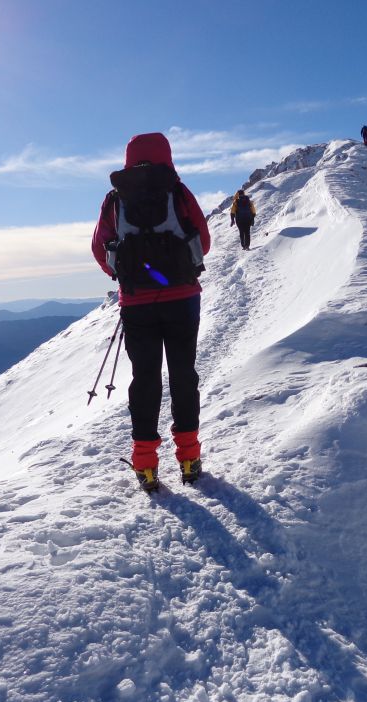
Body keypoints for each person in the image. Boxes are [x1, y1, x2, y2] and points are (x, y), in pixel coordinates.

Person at [91, 132, 211, 490]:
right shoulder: (178, 191)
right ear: (166, 155)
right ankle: (189, 458)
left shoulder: (115, 199)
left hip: (137, 304)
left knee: (145, 379)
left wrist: (127, 275)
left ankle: (145, 464)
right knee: (182, 375)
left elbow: (100, 249)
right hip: (182, 299)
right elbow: (202, 241)